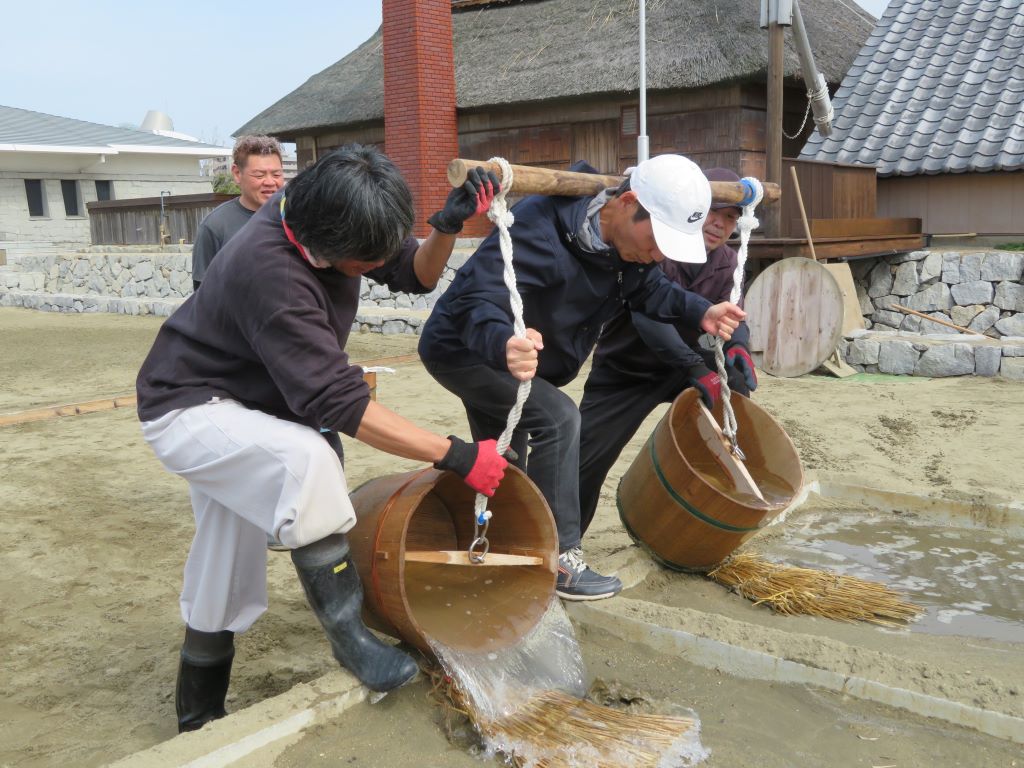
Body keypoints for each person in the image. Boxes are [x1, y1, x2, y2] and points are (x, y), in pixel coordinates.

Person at [136, 144, 504, 733]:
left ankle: (198, 715)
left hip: (253, 403)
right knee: (306, 461)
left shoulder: (330, 206)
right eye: (365, 262)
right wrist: (456, 455)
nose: (375, 267)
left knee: (225, 551)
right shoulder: (273, 273)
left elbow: (416, 274)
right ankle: (349, 637)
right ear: (324, 247)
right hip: (189, 407)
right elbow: (340, 403)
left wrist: (445, 225)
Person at [417, 154, 746, 602]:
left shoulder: (625, 247)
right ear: (627, 203)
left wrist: (701, 311)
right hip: (467, 349)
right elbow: (479, 300)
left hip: (518, 358)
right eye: (656, 241)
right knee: (557, 418)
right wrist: (503, 342)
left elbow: (650, 288)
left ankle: (498, 554)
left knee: (503, 464)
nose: (657, 255)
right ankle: (560, 559)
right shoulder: (539, 227)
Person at [577, 167, 759, 539]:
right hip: (627, 369)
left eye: (730, 217)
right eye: (713, 211)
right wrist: (696, 368)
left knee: (736, 386)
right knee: (583, 461)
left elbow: (732, 311)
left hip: (681, 370)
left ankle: (704, 509)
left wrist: (740, 346)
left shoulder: (727, 261)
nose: (719, 224)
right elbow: (648, 318)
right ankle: (567, 541)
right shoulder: (657, 242)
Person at [191, 135, 286, 291]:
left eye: (276, 175)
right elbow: (202, 295)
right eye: (259, 175)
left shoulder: (297, 219)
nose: (270, 182)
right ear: (237, 173)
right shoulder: (215, 227)